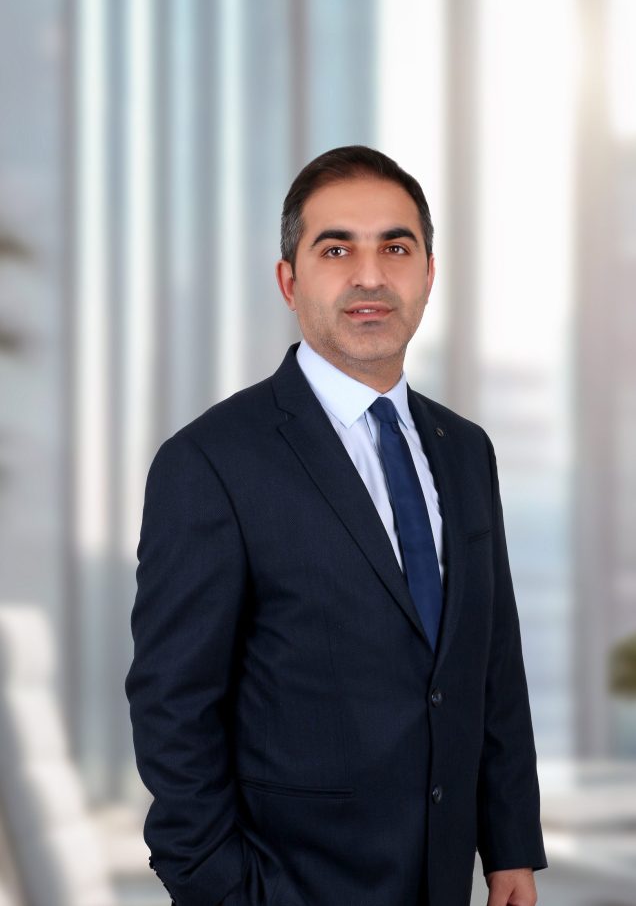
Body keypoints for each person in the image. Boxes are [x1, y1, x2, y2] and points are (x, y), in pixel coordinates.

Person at [125, 145, 547, 906]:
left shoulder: (465, 450)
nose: (370, 276)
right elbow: (172, 706)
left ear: (428, 274)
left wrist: (509, 846)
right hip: (288, 885)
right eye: (337, 249)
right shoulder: (210, 462)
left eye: (396, 248)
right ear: (289, 280)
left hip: (444, 879)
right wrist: (222, 890)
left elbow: (490, 661)